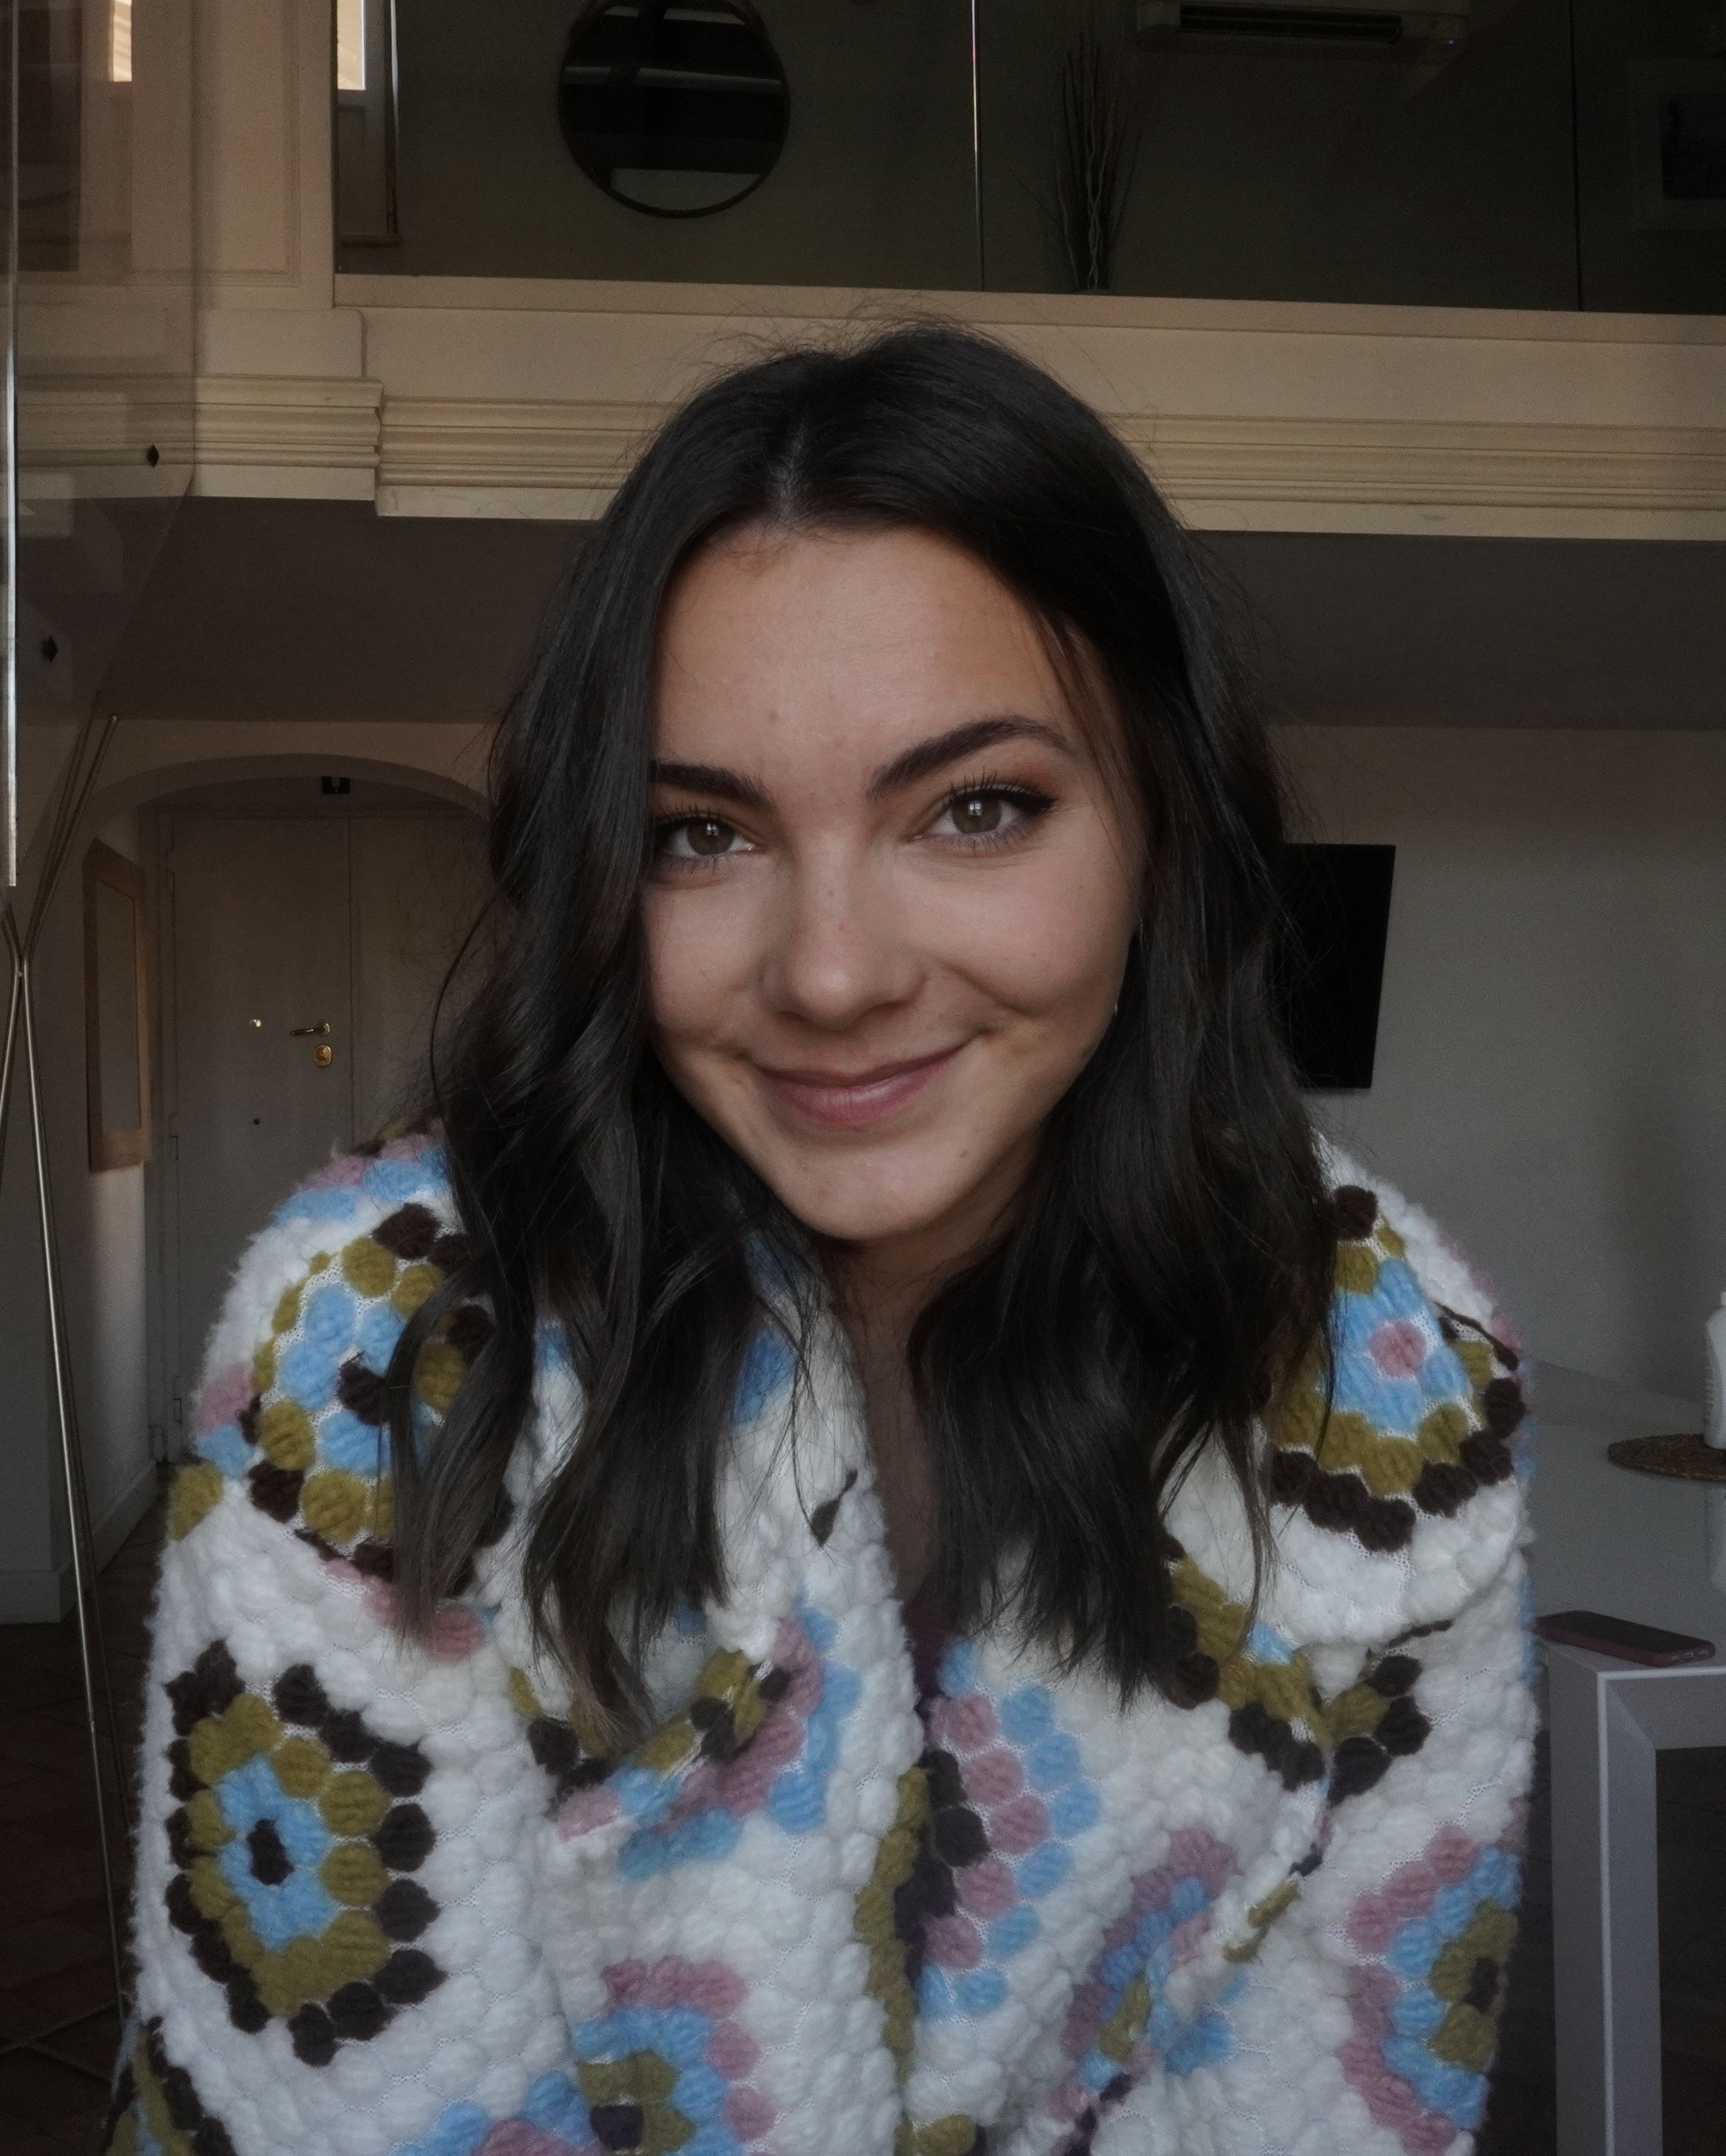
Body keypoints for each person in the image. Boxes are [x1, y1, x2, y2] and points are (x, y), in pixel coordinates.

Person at [108, 327, 1534, 2156]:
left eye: (976, 808)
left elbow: (1344, 2087)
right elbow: (348, 2106)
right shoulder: (379, 1344)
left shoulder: (1374, 1368)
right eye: (701, 834)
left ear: (1162, 824)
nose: (833, 975)